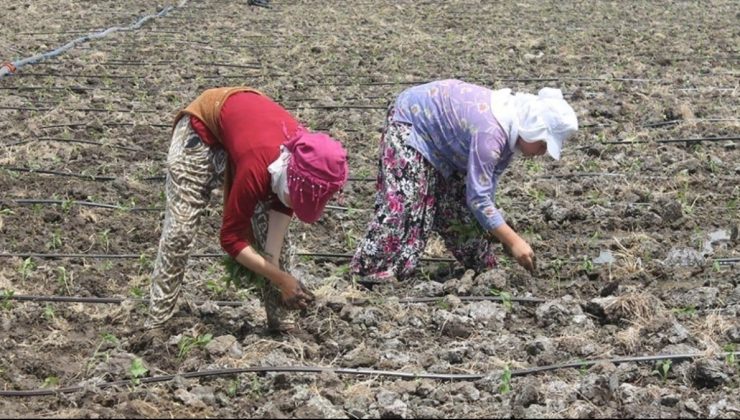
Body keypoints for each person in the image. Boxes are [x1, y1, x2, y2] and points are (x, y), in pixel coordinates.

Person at [147, 87, 348, 330]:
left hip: (247, 137)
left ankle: (282, 322)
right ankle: (157, 321)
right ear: (292, 178)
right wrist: (282, 279)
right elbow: (230, 238)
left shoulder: (306, 160)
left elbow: (278, 222)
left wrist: (274, 269)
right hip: (201, 130)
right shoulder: (259, 167)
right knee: (179, 232)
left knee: (277, 248)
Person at [351, 79, 578, 282]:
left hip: (445, 146)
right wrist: (513, 241)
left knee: (458, 211)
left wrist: (497, 227)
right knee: (406, 202)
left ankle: (483, 268)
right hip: (412, 122)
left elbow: (484, 189)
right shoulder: (491, 136)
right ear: (532, 127)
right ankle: (369, 269)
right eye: (543, 143)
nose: (542, 151)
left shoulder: (509, 134)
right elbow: (478, 198)